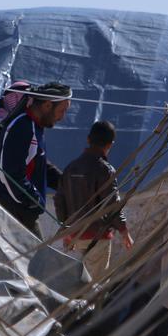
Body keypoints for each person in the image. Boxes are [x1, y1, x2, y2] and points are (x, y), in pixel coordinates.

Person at [54, 120, 134, 281]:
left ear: (88, 139)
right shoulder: (105, 170)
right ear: (110, 144)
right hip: (98, 237)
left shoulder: (71, 168)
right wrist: (124, 232)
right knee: (94, 287)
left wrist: (65, 230)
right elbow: (112, 205)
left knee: (76, 285)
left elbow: (59, 201)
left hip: (74, 236)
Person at [0, 82, 71, 235]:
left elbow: (37, 163)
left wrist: (67, 183)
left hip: (23, 213)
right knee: (37, 259)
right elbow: (8, 174)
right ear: (47, 105)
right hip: (12, 216)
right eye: (62, 110)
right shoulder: (22, 127)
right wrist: (34, 201)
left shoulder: (36, 127)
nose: (62, 117)